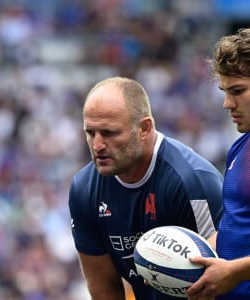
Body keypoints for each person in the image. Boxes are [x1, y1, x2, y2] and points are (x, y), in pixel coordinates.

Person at [68, 76, 224, 300]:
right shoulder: (84, 189)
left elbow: (220, 276)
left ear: (144, 128)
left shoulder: (191, 182)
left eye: (109, 133)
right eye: (90, 133)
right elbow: (104, 289)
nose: (97, 145)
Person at [187, 28, 250, 300]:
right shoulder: (241, 144)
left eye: (237, 90)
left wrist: (235, 272)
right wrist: (184, 257)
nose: (226, 103)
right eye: (225, 91)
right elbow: (234, 225)